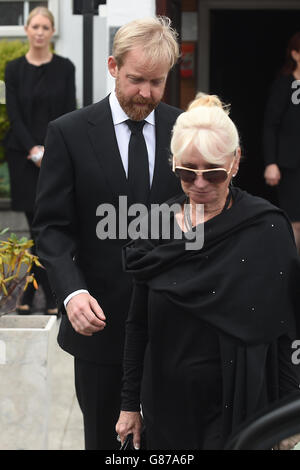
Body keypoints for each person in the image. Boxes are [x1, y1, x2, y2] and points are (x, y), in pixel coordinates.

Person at [116, 94, 300, 450]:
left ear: (234, 163)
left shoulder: (266, 228)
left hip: (240, 401)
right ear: (172, 164)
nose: (199, 184)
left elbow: (287, 328)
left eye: (213, 173)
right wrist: (129, 404)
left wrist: (289, 414)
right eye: (187, 172)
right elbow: (137, 323)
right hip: (167, 405)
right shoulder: (154, 225)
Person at [33, 17, 182, 449]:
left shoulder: (184, 130)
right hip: (99, 330)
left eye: (157, 83)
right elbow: (52, 229)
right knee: (105, 443)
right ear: (113, 66)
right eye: (136, 79)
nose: (146, 94)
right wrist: (71, 293)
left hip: (174, 330)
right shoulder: (69, 133)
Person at [4, 6, 76, 314]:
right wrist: (33, 150)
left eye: (45, 27)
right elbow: (15, 116)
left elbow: (67, 110)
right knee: (35, 227)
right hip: (23, 157)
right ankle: (47, 292)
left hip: (54, 156)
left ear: (52, 31)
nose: (39, 32)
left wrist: (48, 149)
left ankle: (34, 294)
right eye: (35, 26)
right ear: (26, 30)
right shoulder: (13, 68)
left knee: (46, 224)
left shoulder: (65, 67)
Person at [263, 32, 300, 253]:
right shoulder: (284, 85)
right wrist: (271, 162)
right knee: (295, 222)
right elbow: (270, 125)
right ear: (295, 54)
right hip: (291, 164)